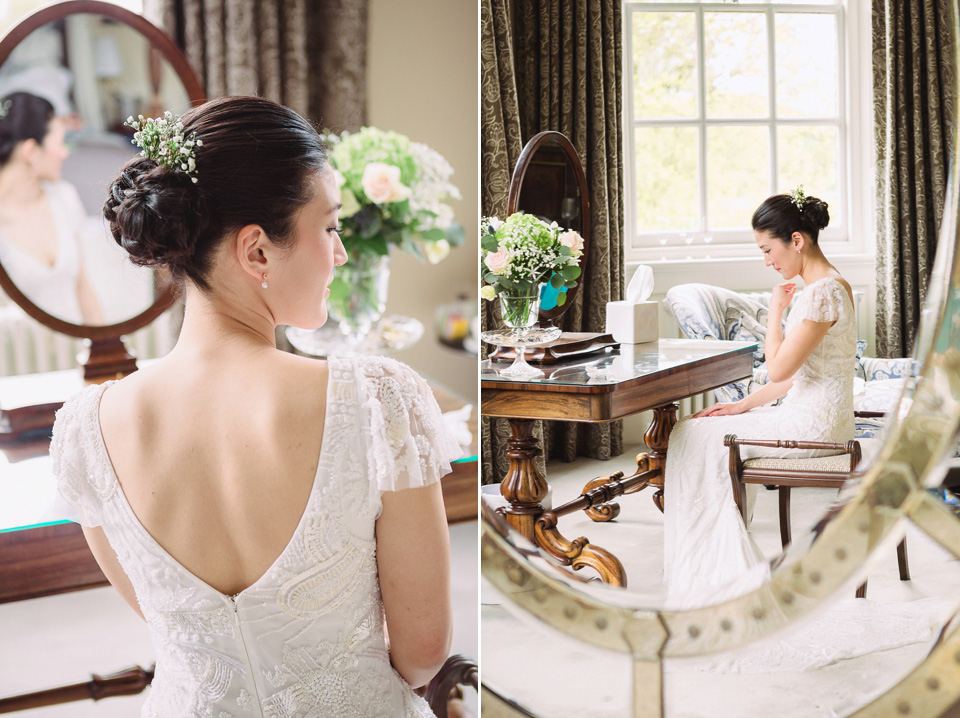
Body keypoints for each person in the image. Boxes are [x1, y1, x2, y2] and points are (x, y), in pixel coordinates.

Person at [50, 96, 460, 716]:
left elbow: (173, 631)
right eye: (328, 226)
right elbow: (423, 652)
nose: (342, 252)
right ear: (257, 252)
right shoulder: (380, 401)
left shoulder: (85, 431)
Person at [661, 190, 947, 671]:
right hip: (812, 407)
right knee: (698, 431)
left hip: (816, 422)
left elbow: (776, 370)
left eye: (767, 250)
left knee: (687, 437)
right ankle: (718, 575)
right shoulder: (829, 285)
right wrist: (741, 409)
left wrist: (774, 310)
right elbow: (796, 378)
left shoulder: (820, 293)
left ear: (796, 240)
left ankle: (719, 583)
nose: (768, 262)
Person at [0, 91, 103, 324]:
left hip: (76, 349)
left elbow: (83, 288)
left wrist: (107, 347)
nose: (65, 153)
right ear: (31, 152)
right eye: (60, 143)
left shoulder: (64, 197)